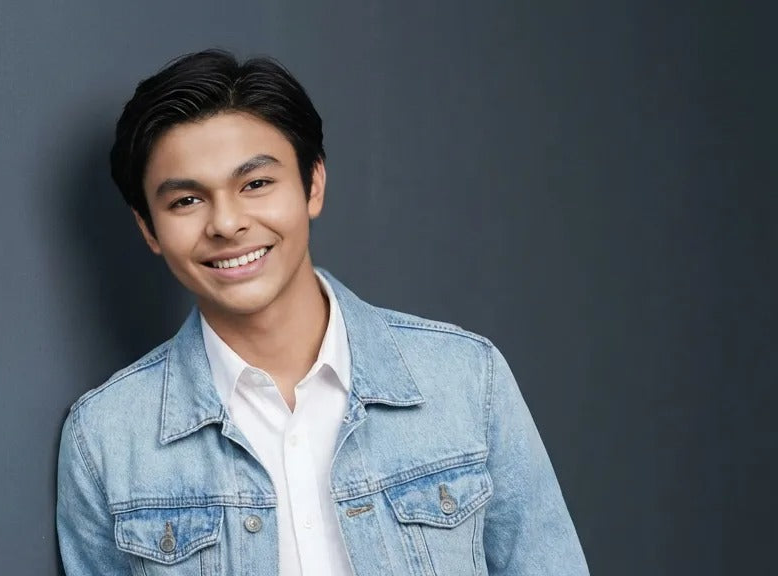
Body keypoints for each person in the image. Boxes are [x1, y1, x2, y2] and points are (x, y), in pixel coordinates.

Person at [56, 49, 589, 576]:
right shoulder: (105, 437)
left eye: (256, 184)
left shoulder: (466, 377)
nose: (226, 223)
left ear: (313, 184)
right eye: (186, 201)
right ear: (149, 228)